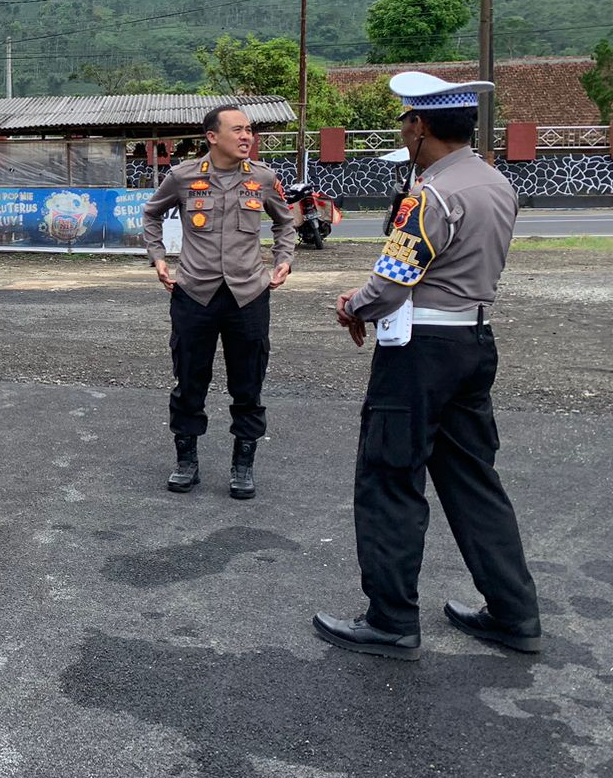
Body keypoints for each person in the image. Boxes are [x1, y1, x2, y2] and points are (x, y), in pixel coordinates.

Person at [313, 73, 540, 661]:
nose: (404, 130)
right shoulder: (495, 183)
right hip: (473, 342)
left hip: (418, 355)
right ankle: (515, 613)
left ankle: (391, 621)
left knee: (390, 477)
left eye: (405, 122)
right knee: (473, 481)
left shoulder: (430, 194)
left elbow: (392, 283)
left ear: (420, 127)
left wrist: (352, 305)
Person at [142, 106, 296, 498]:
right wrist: (159, 258)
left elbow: (285, 222)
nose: (247, 137)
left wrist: (283, 260)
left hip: (248, 296)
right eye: (238, 130)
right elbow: (151, 215)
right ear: (213, 136)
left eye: (250, 131)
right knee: (190, 381)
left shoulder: (262, 178)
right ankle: (186, 461)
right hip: (195, 295)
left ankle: (243, 466)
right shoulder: (182, 177)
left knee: (248, 385)